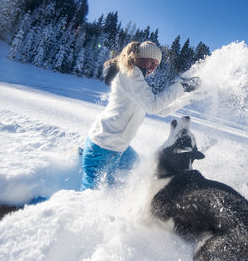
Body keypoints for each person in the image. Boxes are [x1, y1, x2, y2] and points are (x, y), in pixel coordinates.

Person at [80, 41, 200, 190]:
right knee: (88, 198)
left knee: (140, 170)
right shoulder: (130, 74)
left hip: (119, 148)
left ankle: (84, 155)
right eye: (152, 61)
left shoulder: (138, 81)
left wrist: (187, 96)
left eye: (156, 65)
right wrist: (182, 87)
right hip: (102, 147)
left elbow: (161, 110)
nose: (153, 67)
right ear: (140, 57)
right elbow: (153, 106)